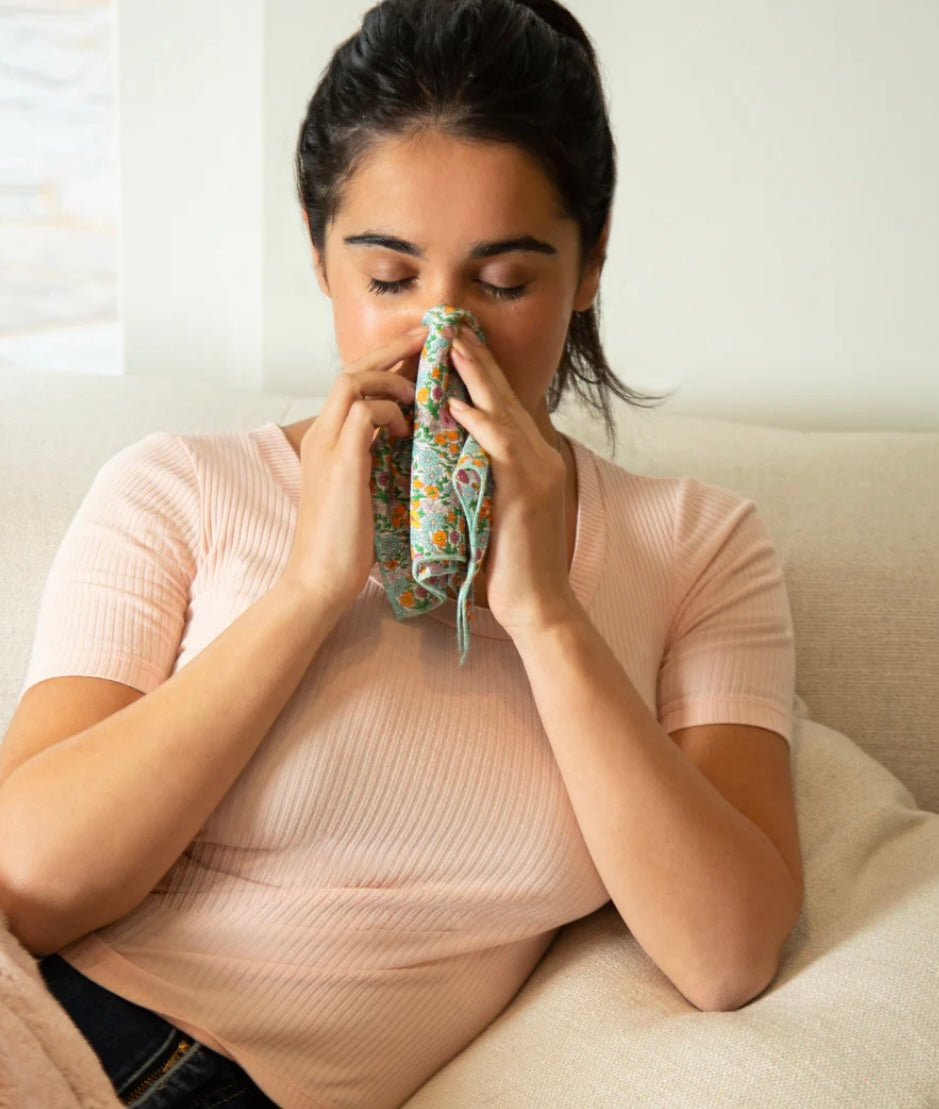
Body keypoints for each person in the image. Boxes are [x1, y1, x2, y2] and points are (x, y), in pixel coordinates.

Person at [0, 0, 804, 1106]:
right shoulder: (179, 484)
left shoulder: (699, 546)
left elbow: (728, 952)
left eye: (505, 282)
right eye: (389, 279)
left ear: (591, 262)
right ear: (320, 252)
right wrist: (307, 590)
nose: (444, 333)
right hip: (44, 1019)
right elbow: (28, 885)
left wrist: (547, 610)